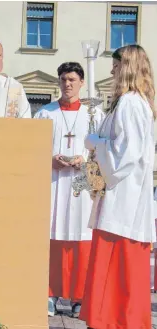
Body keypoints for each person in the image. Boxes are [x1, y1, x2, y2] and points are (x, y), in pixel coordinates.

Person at [79, 45, 156, 329]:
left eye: (115, 65)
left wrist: (95, 143)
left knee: (118, 271)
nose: (111, 71)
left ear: (127, 67)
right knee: (116, 272)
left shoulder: (131, 103)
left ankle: (115, 322)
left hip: (124, 202)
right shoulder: (130, 102)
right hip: (121, 198)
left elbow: (125, 155)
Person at [34, 62, 104, 317]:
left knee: (81, 237)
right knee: (51, 236)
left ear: (82, 82)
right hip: (53, 181)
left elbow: (103, 150)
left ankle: (79, 297)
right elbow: (34, 146)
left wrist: (83, 160)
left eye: (73, 79)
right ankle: (48, 294)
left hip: (81, 182)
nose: (68, 84)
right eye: (63, 79)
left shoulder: (94, 115)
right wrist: (50, 158)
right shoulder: (45, 113)